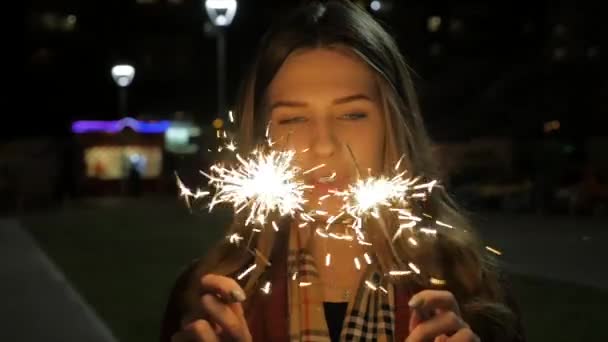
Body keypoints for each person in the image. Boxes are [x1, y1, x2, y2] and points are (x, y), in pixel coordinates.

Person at [161, 1, 526, 341]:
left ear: (394, 127)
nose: (323, 145)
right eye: (294, 118)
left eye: (352, 114)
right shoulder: (207, 299)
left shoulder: (473, 295)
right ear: (262, 139)